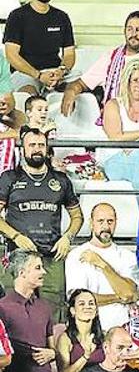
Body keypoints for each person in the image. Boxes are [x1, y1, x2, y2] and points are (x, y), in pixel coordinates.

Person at [0, 126, 83, 305]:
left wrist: (67, 237)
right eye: (32, 145)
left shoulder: (61, 180)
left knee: (52, 311)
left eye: (41, 145)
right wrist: (16, 236)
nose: (37, 149)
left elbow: (77, 216)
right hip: (18, 256)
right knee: (12, 311)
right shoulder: (9, 178)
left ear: (47, 148)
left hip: (52, 257)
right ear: (22, 148)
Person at [65, 204, 139, 333]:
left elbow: (130, 293)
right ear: (91, 223)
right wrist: (118, 297)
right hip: (89, 331)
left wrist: (103, 264)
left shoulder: (128, 256)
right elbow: (80, 300)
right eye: (100, 221)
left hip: (123, 330)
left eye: (110, 221)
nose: (106, 226)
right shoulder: (76, 255)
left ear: (116, 223)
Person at [3, 0, 75, 93]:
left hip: (55, 72)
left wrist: (61, 70)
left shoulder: (61, 17)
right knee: (30, 98)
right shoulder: (17, 16)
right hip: (26, 74)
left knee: (78, 91)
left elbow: (69, 53)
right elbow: (11, 55)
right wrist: (39, 75)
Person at [0, 251, 54, 372]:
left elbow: (51, 347)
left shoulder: (44, 307)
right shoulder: (2, 307)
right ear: (22, 273)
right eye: (38, 268)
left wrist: (51, 353)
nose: (43, 272)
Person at [55, 289, 106, 372]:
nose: (87, 307)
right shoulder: (65, 339)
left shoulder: (104, 337)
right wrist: (85, 357)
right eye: (82, 303)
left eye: (91, 303)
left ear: (96, 310)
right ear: (73, 310)